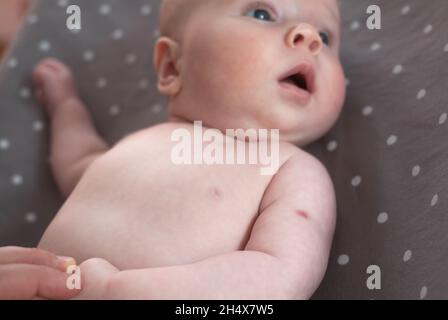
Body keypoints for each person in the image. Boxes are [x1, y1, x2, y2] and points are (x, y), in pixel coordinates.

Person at [29, 0, 345, 299]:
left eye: (325, 36)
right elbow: (79, 163)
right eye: (262, 14)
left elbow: (280, 277)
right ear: (171, 66)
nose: (308, 37)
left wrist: (119, 290)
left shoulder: (292, 169)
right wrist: (65, 106)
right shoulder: (139, 141)